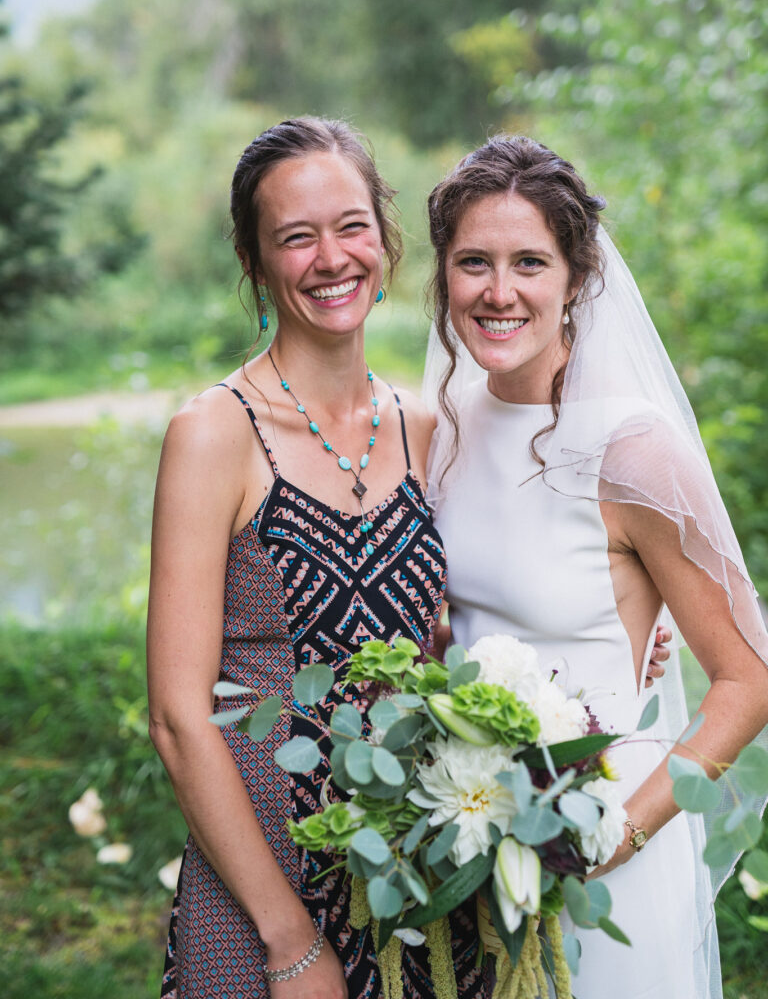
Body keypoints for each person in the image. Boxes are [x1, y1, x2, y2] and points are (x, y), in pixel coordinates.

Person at [147, 118, 486, 999]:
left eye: (351, 226)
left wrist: (626, 629)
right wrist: (289, 942)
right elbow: (178, 718)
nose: (331, 258)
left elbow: (454, 629)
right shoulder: (215, 434)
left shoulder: (427, 428)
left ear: (386, 239)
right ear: (255, 262)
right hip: (261, 878)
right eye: (296, 237)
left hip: (415, 873)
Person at [423, 134, 768, 999]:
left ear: (577, 279)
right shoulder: (446, 425)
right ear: (444, 274)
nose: (499, 291)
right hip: (474, 843)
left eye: (530, 263)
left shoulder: (632, 449)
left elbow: (748, 679)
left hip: (606, 855)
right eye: (474, 262)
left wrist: (615, 838)